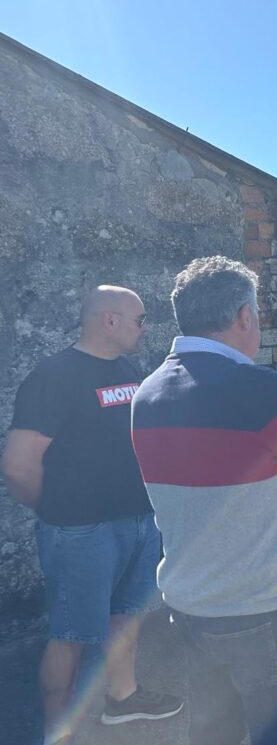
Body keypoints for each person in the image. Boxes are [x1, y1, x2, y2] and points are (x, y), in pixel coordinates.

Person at [130, 256, 277, 745]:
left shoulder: (147, 394)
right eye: (259, 313)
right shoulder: (260, 390)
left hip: (190, 608)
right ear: (244, 316)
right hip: (266, 609)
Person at [1, 286, 182, 745]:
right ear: (110, 320)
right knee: (71, 635)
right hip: (80, 531)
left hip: (138, 521)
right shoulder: (53, 376)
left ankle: (122, 698)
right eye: (140, 319)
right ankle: (57, 732)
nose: (145, 329)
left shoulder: (128, 369)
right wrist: (53, 510)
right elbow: (19, 465)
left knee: (126, 617)